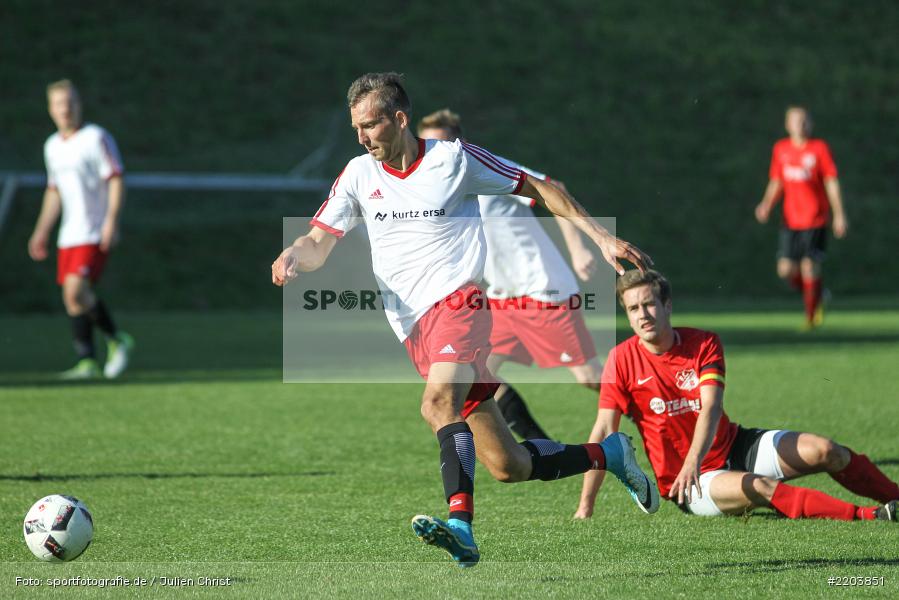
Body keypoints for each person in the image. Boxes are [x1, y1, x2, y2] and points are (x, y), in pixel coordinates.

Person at [272, 73, 660, 567]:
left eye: (370, 125)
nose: (363, 137)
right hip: (413, 328)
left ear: (400, 118)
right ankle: (611, 455)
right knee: (509, 465)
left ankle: (461, 528)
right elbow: (319, 240)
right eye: (356, 128)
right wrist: (294, 254)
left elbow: (540, 188)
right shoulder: (356, 176)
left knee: (436, 405)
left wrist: (600, 238)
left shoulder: (453, 159)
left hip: (461, 307)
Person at [575, 269, 897, 522]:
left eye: (648, 304)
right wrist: (585, 506)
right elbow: (604, 431)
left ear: (667, 305)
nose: (642, 314)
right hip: (689, 482)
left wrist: (693, 458)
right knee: (760, 487)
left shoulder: (703, 343)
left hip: (734, 445)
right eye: (633, 308)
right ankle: (869, 516)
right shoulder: (620, 359)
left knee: (828, 451)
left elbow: (711, 408)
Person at [417, 109, 602, 441]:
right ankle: (542, 446)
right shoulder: (432, 191)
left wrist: (577, 247)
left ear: (461, 143)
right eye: (429, 145)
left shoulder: (485, 168)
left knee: (589, 377)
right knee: (478, 374)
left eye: (443, 143)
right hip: (502, 298)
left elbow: (551, 187)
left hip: (542, 290)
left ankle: (654, 404)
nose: (437, 151)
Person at [28, 79, 134, 379]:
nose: (66, 108)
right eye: (60, 103)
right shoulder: (52, 146)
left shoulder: (95, 137)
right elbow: (54, 191)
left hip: (93, 230)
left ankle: (117, 339)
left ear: (79, 104)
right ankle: (87, 361)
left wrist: (111, 221)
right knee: (71, 299)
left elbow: (115, 178)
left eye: (70, 102)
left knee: (76, 291)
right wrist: (41, 231)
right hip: (69, 234)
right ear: (50, 109)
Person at [755, 106, 848, 330]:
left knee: (809, 267)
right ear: (787, 125)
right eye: (796, 121)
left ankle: (811, 317)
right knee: (786, 270)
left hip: (815, 220)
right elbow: (777, 180)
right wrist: (766, 204)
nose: (800, 125)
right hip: (790, 221)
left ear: (811, 124)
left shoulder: (819, 149)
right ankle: (818, 294)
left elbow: (831, 182)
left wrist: (839, 215)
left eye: (805, 120)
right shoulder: (781, 149)